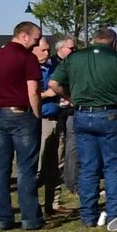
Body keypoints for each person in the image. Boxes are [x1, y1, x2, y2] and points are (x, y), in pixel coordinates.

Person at [56, 26, 117, 229]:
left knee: (88, 167)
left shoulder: (74, 58)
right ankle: (115, 214)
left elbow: (53, 83)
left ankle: (88, 215)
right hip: (110, 113)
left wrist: (71, 98)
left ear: (94, 40)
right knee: (113, 165)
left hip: (82, 113)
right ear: (113, 42)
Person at [0, 22, 46, 231]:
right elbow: (33, 91)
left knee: (0, 168)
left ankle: (3, 217)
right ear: (24, 36)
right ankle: (30, 217)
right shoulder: (27, 58)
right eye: (36, 39)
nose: (37, 43)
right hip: (21, 113)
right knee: (26, 168)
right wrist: (37, 114)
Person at [35, 34, 74, 220]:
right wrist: (45, 94)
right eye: (42, 50)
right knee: (39, 164)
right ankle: (35, 205)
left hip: (56, 116)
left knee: (56, 163)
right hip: (40, 119)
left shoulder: (52, 66)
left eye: (47, 50)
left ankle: (54, 203)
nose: (46, 53)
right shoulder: (30, 68)